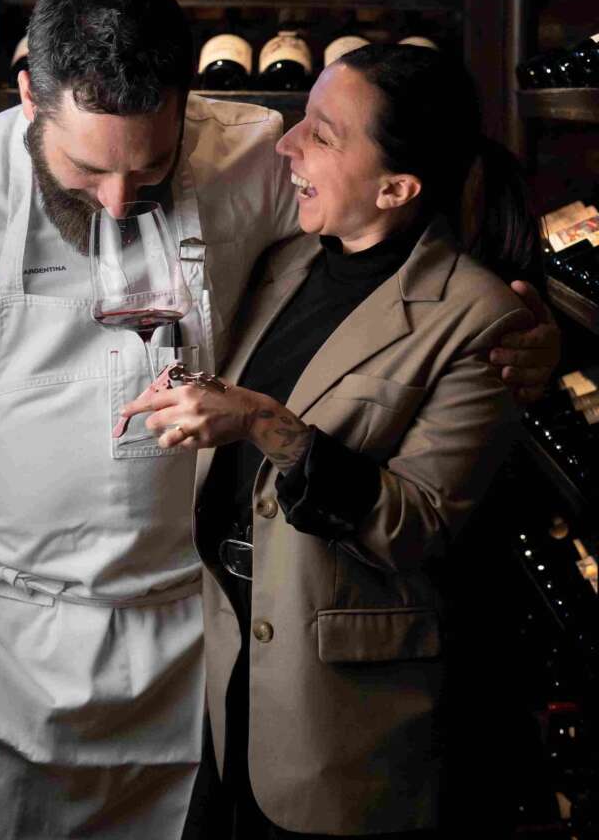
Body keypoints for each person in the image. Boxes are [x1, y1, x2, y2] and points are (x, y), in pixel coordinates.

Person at [0, 0, 554, 839]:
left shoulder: (255, 153)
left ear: (188, 103)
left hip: (189, 641)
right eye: (88, 168)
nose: (119, 200)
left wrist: (522, 319)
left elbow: (398, 225)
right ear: (30, 96)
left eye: (151, 165)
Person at [122, 44, 554, 839]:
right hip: (233, 677)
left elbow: (417, 526)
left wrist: (265, 424)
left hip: (344, 718)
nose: (288, 145)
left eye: (322, 134)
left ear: (396, 188)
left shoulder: (478, 320)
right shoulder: (285, 266)